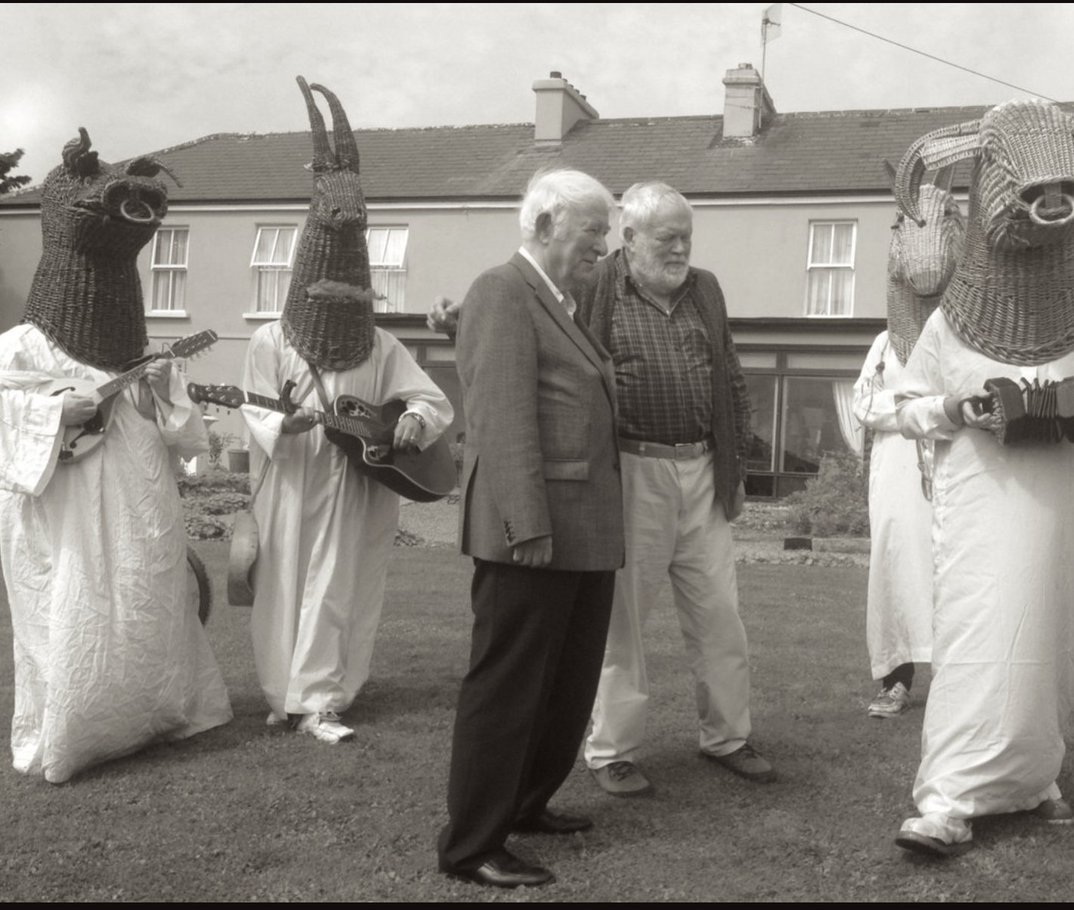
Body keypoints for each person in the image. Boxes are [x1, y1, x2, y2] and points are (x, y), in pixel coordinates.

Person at [890, 99, 1074, 856]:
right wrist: (953, 405)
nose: (1053, 202)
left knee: (1052, 635)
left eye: (1065, 189)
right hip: (984, 514)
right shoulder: (949, 322)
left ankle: (1035, 778)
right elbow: (905, 406)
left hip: (1066, 513)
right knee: (980, 636)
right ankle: (946, 796)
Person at [0, 129, 231, 783]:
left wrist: (164, 393)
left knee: (143, 590)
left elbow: (188, 437)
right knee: (70, 603)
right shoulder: (19, 347)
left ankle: (150, 715)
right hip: (60, 500)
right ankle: (77, 731)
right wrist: (51, 412)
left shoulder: (143, 349)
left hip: (136, 489)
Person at [437, 169, 624, 889]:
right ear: (544, 226)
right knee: (510, 687)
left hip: (582, 532)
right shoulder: (500, 291)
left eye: (606, 234)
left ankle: (524, 805)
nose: (601, 247)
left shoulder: (562, 303)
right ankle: (471, 845)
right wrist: (525, 524)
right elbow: (501, 417)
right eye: (591, 232)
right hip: (534, 534)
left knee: (566, 685)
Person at [579, 181, 775, 797]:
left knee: (720, 614)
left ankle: (728, 737)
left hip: (703, 471)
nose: (681, 248)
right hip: (632, 472)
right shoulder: (595, 287)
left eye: (687, 236)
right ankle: (613, 749)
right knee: (623, 621)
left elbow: (731, 376)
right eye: (668, 238)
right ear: (630, 238)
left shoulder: (706, 289)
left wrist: (735, 465)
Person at [242, 280, 452, 744]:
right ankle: (286, 697)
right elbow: (252, 404)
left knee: (341, 587)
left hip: (359, 485)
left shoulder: (381, 345)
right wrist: (284, 422)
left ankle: (322, 699)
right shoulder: (270, 340)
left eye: (347, 302)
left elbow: (431, 399)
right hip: (294, 483)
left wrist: (414, 418)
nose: (336, 311)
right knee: (284, 583)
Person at [852, 332, 933, 718]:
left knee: (962, 569)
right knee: (897, 568)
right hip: (898, 470)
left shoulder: (966, 332)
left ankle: (965, 681)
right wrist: (910, 405)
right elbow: (863, 403)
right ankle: (896, 679)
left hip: (955, 462)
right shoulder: (886, 343)